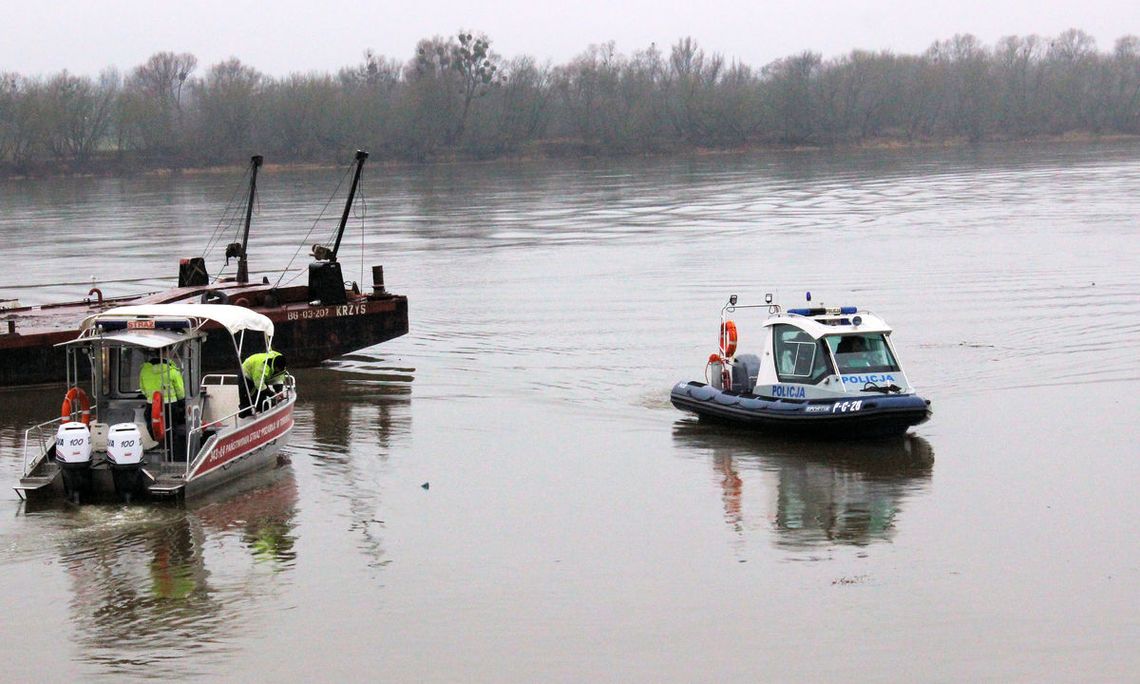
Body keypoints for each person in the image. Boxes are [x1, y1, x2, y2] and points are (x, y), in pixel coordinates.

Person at [139, 354, 187, 451]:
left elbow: (142, 389)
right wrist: (181, 402)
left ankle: (154, 446)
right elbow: (180, 391)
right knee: (171, 427)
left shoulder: (144, 371)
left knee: (152, 426)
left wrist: (150, 396)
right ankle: (171, 448)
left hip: (152, 404)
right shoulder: (173, 371)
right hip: (170, 404)